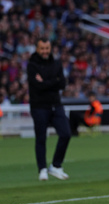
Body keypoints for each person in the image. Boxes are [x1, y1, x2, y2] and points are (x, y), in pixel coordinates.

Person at [27, 37, 71, 181]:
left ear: (50, 48)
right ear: (37, 49)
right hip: (39, 106)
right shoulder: (32, 64)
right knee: (41, 138)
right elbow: (37, 86)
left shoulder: (56, 62)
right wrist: (54, 82)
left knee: (66, 134)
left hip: (55, 105)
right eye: (42, 49)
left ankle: (56, 166)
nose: (45, 51)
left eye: (47, 48)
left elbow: (62, 84)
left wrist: (45, 82)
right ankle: (42, 169)